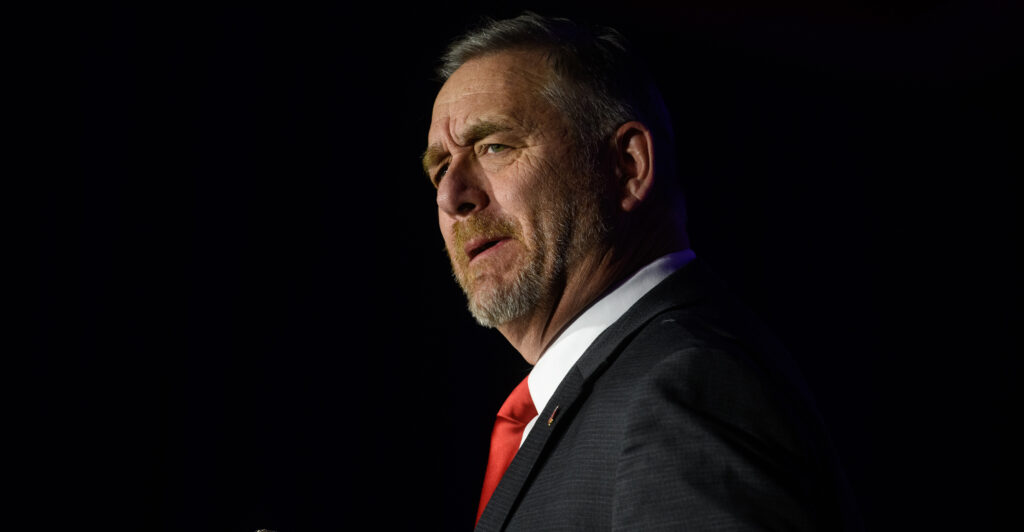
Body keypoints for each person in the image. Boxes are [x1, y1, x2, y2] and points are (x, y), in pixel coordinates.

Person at [423, 12, 859, 531]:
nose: (452, 197)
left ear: (628, 166)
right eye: (440, 168)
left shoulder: (685, 386)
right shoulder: (608, 392)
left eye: (495, 146)